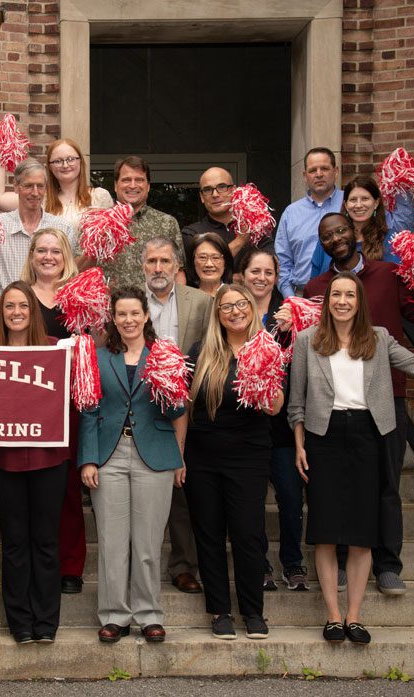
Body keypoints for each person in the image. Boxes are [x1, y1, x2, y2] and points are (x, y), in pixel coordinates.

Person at [288, 272, 414, 644]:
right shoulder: (306, 340)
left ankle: (355, 616)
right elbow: (296, 402)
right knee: (326, 530)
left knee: (363, 533)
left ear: (359, 301)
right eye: (336, 295)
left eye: (350, 295)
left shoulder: (378, 338)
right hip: (322, 436)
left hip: (369, 435)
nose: (342, 301)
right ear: (327, 300)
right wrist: (299, 444)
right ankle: (332, 616)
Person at [303, 212, 414, 595]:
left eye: (341, 230)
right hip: (333, 409)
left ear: (354, 232)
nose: (336, 239)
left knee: (385, 485)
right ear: (322, 243)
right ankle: (343, 560)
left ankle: (387, 564)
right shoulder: (315, 288)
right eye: (327, 236)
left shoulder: (388, 274)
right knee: (339, 487)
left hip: (385, 396)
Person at [79, 287, 187, 644]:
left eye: (134, 314)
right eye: (121, 314)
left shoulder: (164, 355)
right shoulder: (97, 357)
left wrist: (168, 384)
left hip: (154, 453)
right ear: (113, 318)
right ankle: (114, 615)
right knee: (112, 542)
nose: (128, 320)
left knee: (148, 542)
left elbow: (176, 412)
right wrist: (88, 459)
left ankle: (149, 614)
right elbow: (90, 409)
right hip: (109, 455)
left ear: (146, 316)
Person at [185, 284, 283, 641]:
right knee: (209, 534)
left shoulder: (266, 348)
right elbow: (185, 408)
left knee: (247, 534)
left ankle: (253, 611)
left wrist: (264, 371)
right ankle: (220, 611)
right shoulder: (201, 352)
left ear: (252, 307)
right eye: (226, 307)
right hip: (203, 456)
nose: (235, 311)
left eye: (241, 304)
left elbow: (275, 407)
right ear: (217, 314)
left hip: (249, 456)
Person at [0, 281, 71, 643]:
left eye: (23, 305)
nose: (17, 312)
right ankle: (20, 621)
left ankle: (46, 621)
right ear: (1, 312)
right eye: (9, 306)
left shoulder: (57, 350)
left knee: (46, 541)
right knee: (14, 542)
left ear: (33, 310)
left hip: (49, 457)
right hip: (7, 459)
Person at [140, 236, 212, 595]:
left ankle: (183, 565)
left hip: (191, 407)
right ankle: (140, 566)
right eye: (152, 261)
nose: (158, 268)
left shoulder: (200, 302)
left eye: (165, 262)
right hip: (142, 406)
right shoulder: (130, 301)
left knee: (183, 487)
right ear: (143, 266)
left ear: (176, 266)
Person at [18, 228, 86, 594]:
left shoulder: (79, 295)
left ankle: (70, 565)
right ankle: (34, 559)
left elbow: (94, 342)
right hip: (28, 404)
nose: (48, 257)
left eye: (55, 251)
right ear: (31, 255)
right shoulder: (20, 295)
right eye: (41, 250)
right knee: (32, 485)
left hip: (69, 402)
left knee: (67, 485)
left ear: (66, 256)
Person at [239, 249, 307, 592]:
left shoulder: (292, 313)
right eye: (255, 271)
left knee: (291, 497)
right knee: (251, 500)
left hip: (282, 424)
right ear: (243, 275)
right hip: (245, 422)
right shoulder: (235, 311)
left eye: (268, 271)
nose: (261, 277)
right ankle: (260, 563)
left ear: (276, 275)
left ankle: (293, 563)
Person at [0, 158, 72, 298]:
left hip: (47, 315)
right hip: (6, 315)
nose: (35, 193)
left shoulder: (62, 228)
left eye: (40, 186)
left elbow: (69, 277)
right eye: (29, 186)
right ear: (16, 187)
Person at [93, 156, 184, 290]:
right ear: (115, 185)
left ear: (148, 186)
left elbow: (179, 272)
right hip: (109, 308)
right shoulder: (96, 223)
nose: (133, 185)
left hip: (155, 307)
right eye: (126, 180)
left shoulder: (167, 223)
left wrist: (176, 307)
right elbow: (75, 269)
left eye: (139, 180)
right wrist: (95, 244)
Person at [309, 174, 414, 276]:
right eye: (353, 200)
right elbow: (315, 280)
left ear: (376, 203)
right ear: (345, 205)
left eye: (365, 199)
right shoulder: (329, 240)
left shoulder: (392, 241)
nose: (358, 205)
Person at [0, 137, 113, 230]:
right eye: (57, 161)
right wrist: (0, 151)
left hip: (88, 266)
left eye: (70, 159)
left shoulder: (100, 197)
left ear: (80, 161)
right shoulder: (41, 198)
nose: (65, 165)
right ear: (50, 167)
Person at [275, 147, 344, 297]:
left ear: (336, 171)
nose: (318, 174)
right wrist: (291, 299)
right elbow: (282, 263)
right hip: (303, 295)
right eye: (313, 170)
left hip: (345, 294)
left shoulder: (349, 204)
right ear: (305, 176)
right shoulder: (291, 213)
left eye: (324, 168)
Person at [180, 166, 274, 275]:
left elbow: (271, 269)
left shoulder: (256, 228)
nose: (215, 194)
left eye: (222, 187)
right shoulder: (191, 233)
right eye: (208, 190)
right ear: (201, 197)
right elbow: (199, 274)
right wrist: (240, 240)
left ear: (234, 190)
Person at [189, 232, 234, 296]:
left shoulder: (235, 296)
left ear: (226, 263)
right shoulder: (185, 298)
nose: (209, 264)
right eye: (202, 257)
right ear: (193, 262)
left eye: (215, 258)